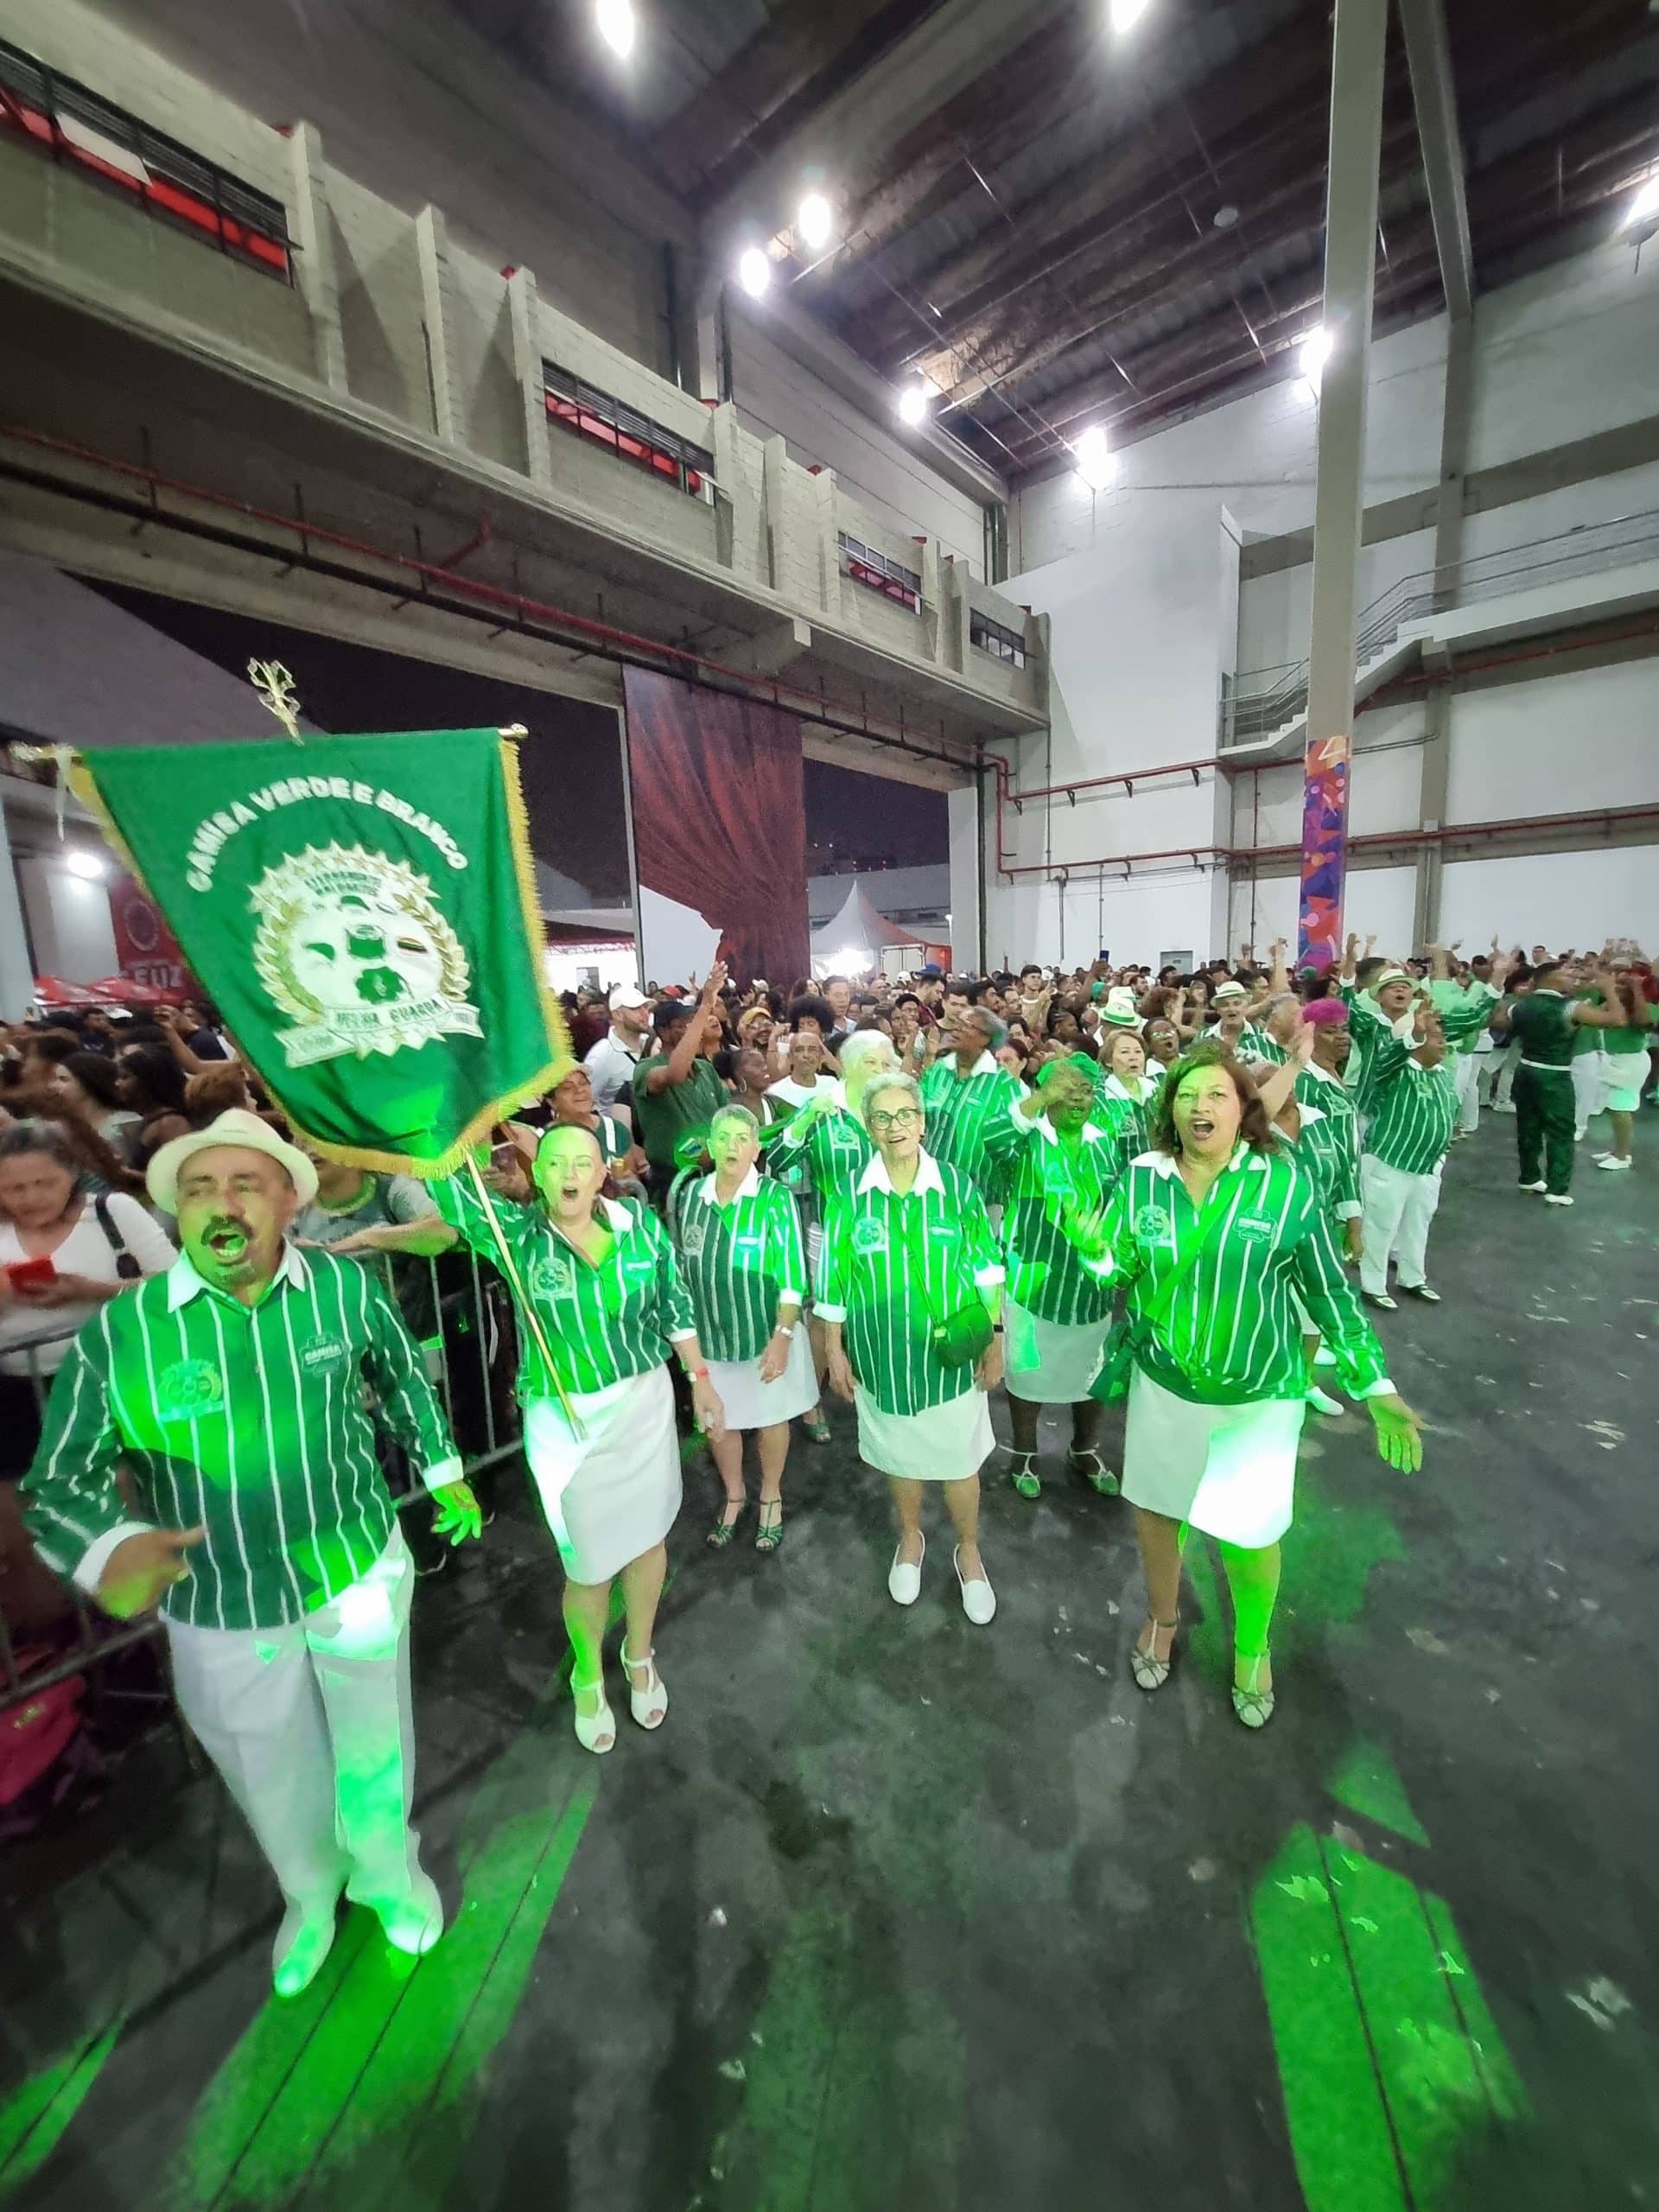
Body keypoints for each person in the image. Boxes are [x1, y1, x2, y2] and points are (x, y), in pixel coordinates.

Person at [22, 1110, 480, 1994]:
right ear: (176, 1212)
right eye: (198, 1188)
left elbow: (398, 1379)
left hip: (354, 1565)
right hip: (220, 1604)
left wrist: (445, 1466)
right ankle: (310, 1895)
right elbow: (56, 1482)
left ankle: (388, 1873)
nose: (220, 1203)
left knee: (374, 1742)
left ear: (287, 1202)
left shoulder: (345, 1291)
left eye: (244, 1184)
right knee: (267, 1767)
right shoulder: (128, 1330)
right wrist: (109, 1547)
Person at [1074, 1049, 1422, 1727]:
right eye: (1186, 1095)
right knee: (1159, 1516)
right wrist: (1094, 1251)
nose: (1201, 1107)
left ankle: (1251, 1646)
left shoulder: (1283, 1186)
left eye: (1218, 1096)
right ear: (1169, 1109)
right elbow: (1115, 1275)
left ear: (1244, 1110)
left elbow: (1327, 1291)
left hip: (1256, 1400)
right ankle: (1163, 1618)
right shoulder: (1141, 1180)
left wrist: (1374, 1384)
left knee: (1250, 1536)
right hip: (1165, 1390)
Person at [430, 1124, 723, 1753]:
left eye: (581, 1162)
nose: (568, 1171)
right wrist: (460, 1134)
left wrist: (699, 1377)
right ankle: (588, 1673)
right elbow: (449, 1189)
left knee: (648, 1545)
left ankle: (638, 1654)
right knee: (588, 1565)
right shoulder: (516, 1238)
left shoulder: (640, 1228)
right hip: (565, 1430)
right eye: (555, 1161)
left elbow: (674, 1305)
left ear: (600, 1173)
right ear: (537, 1174)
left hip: (644, 1407)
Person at [817, 1072, 1005, 1624]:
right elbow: (833, 1277)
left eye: (906, 1116)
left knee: (959, 1465)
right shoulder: (848, 1193)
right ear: (869, 1128)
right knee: (901, 1460)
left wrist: (994, 1338)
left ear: (922, 1123)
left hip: (950, 1362)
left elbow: (988, 1267)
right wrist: (834, 1348)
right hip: (882, 1361)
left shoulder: (957, 1185)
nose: (895, 1127)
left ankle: (968, 1549)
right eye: (882, 1118)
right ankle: (911, 1539)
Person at [671, 1106, 816, 1551]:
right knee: (720, 1423)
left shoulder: (774, 1198)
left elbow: (792, 1275)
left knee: (771, 1419)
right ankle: (734, 1493)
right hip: (710, 1337)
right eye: (723, 1137)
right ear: (710, 1146)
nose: (733, 1147)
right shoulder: (690, 1197)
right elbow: (677, 1270)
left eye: (742, 1138)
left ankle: (770, 1493)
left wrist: (783, 1337)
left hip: (764, 1336)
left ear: (756, 1148)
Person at [0, 1120, 176, 1480]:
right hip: (17, 1393)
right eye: (15, 1188)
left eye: (45, 1183)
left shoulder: (112, 1212)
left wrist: (92, 1290)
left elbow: (175, 1283)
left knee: (121, 1485)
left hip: (115, 1376)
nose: (31, 1198)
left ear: (72, 1174)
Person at [981, 1059, 1119, 1499]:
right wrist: (1040, 1098)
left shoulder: (1107, 1143)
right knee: (1029, 1376)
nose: (1078, 1099)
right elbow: (994, 1137)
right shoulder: (1027, 1141)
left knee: (1091, 1374)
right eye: (1068, 1090)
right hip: (1034, 1283)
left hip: (1091, 1285)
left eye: (1087, 1091)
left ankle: (1085, 1448)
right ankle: (1024, 1452)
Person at [1491, 957, 1628, 1204]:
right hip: (1554, 1074)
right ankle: (1557, 1189)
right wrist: (1608, 989)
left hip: (1526, 1070)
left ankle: (1529, 1177)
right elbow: (1618, 1020)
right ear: (1552, 978)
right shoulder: (1571, 1007)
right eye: (1566, 974)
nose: (1572, 978)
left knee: (1528, 1128)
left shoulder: (1522, 1005)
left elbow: (1499, 1021)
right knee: (1561, 1131)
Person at [632, 966, 730, 1197]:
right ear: (663, 1033)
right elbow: (675, 1073)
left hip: (716, 1173)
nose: (695, 1032)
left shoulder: (706, 1069)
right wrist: (705, 1005)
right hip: (674, 1181)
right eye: (684, 1026)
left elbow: (726, 1117)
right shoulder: (646, 1069)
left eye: (693, 1024)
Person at [919, 1004, 1020, 1203]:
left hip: (979, 1196)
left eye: (966, 1025)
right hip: (929, 1189)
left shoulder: (1003, 1085)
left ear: (986, 1038)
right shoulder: (938, 1071)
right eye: (956, 1023)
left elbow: (1011, 1147)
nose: (956, 1029)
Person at [1592, 966, 1655, 1171]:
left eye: (1620, 985)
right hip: (1615, 1060)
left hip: (1631, 1063)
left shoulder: (1644, 1009)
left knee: (1621, 1108)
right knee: (1613, 1107)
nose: (1614, 987)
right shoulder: (1611, 1006)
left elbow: (1645, 1023)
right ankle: (1618, 1150)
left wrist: (1636, 989)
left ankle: (1622, 1156)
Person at [53, 1052, 142, 1159]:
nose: (53, 1086)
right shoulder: (59, 1128)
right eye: (55, 1079)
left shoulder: (127, 1123)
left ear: (87, 1082)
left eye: (63, 1079)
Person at [116, 1044, 192, 1169]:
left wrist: (126, 1174)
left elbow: (180, 1174)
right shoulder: (150, 1119)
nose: (117, 1084)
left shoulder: (171, 1124)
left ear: (148, 1080)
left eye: (125, 1077)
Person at [582, 984, 652, 1113]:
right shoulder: (602, 1055)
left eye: (646, 1007)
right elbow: (585, 1101)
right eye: (636, 1009)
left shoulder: (651, 1043)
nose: (645, 1013)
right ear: (618, 1015)